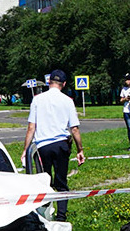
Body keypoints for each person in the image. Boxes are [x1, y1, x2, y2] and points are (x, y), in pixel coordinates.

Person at [23, 70, 85, 220]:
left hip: (42, 147)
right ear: (63, 84)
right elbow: (74, 128)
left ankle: (43, 215)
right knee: (61, 181)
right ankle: (61, 215)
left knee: (44, 181)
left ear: (49, 82)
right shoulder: (67, 100)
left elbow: (32, 127)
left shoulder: (37, 100)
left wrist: (26, 150)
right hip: (61, 145)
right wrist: (80, 150)